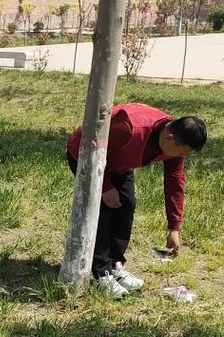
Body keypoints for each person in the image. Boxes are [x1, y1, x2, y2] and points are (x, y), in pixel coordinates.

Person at [66, 104, 207, 299]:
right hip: (86, 152)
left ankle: (115, 264)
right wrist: (106, 187)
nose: (182, 158)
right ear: (169, 139)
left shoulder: (173, 140)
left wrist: (174, 227)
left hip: (119, 162)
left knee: (126, 204)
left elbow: (175, 183)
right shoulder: (129, 128)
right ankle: (102, 273)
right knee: (104, 209)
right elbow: (90, 147)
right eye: (183, 153)